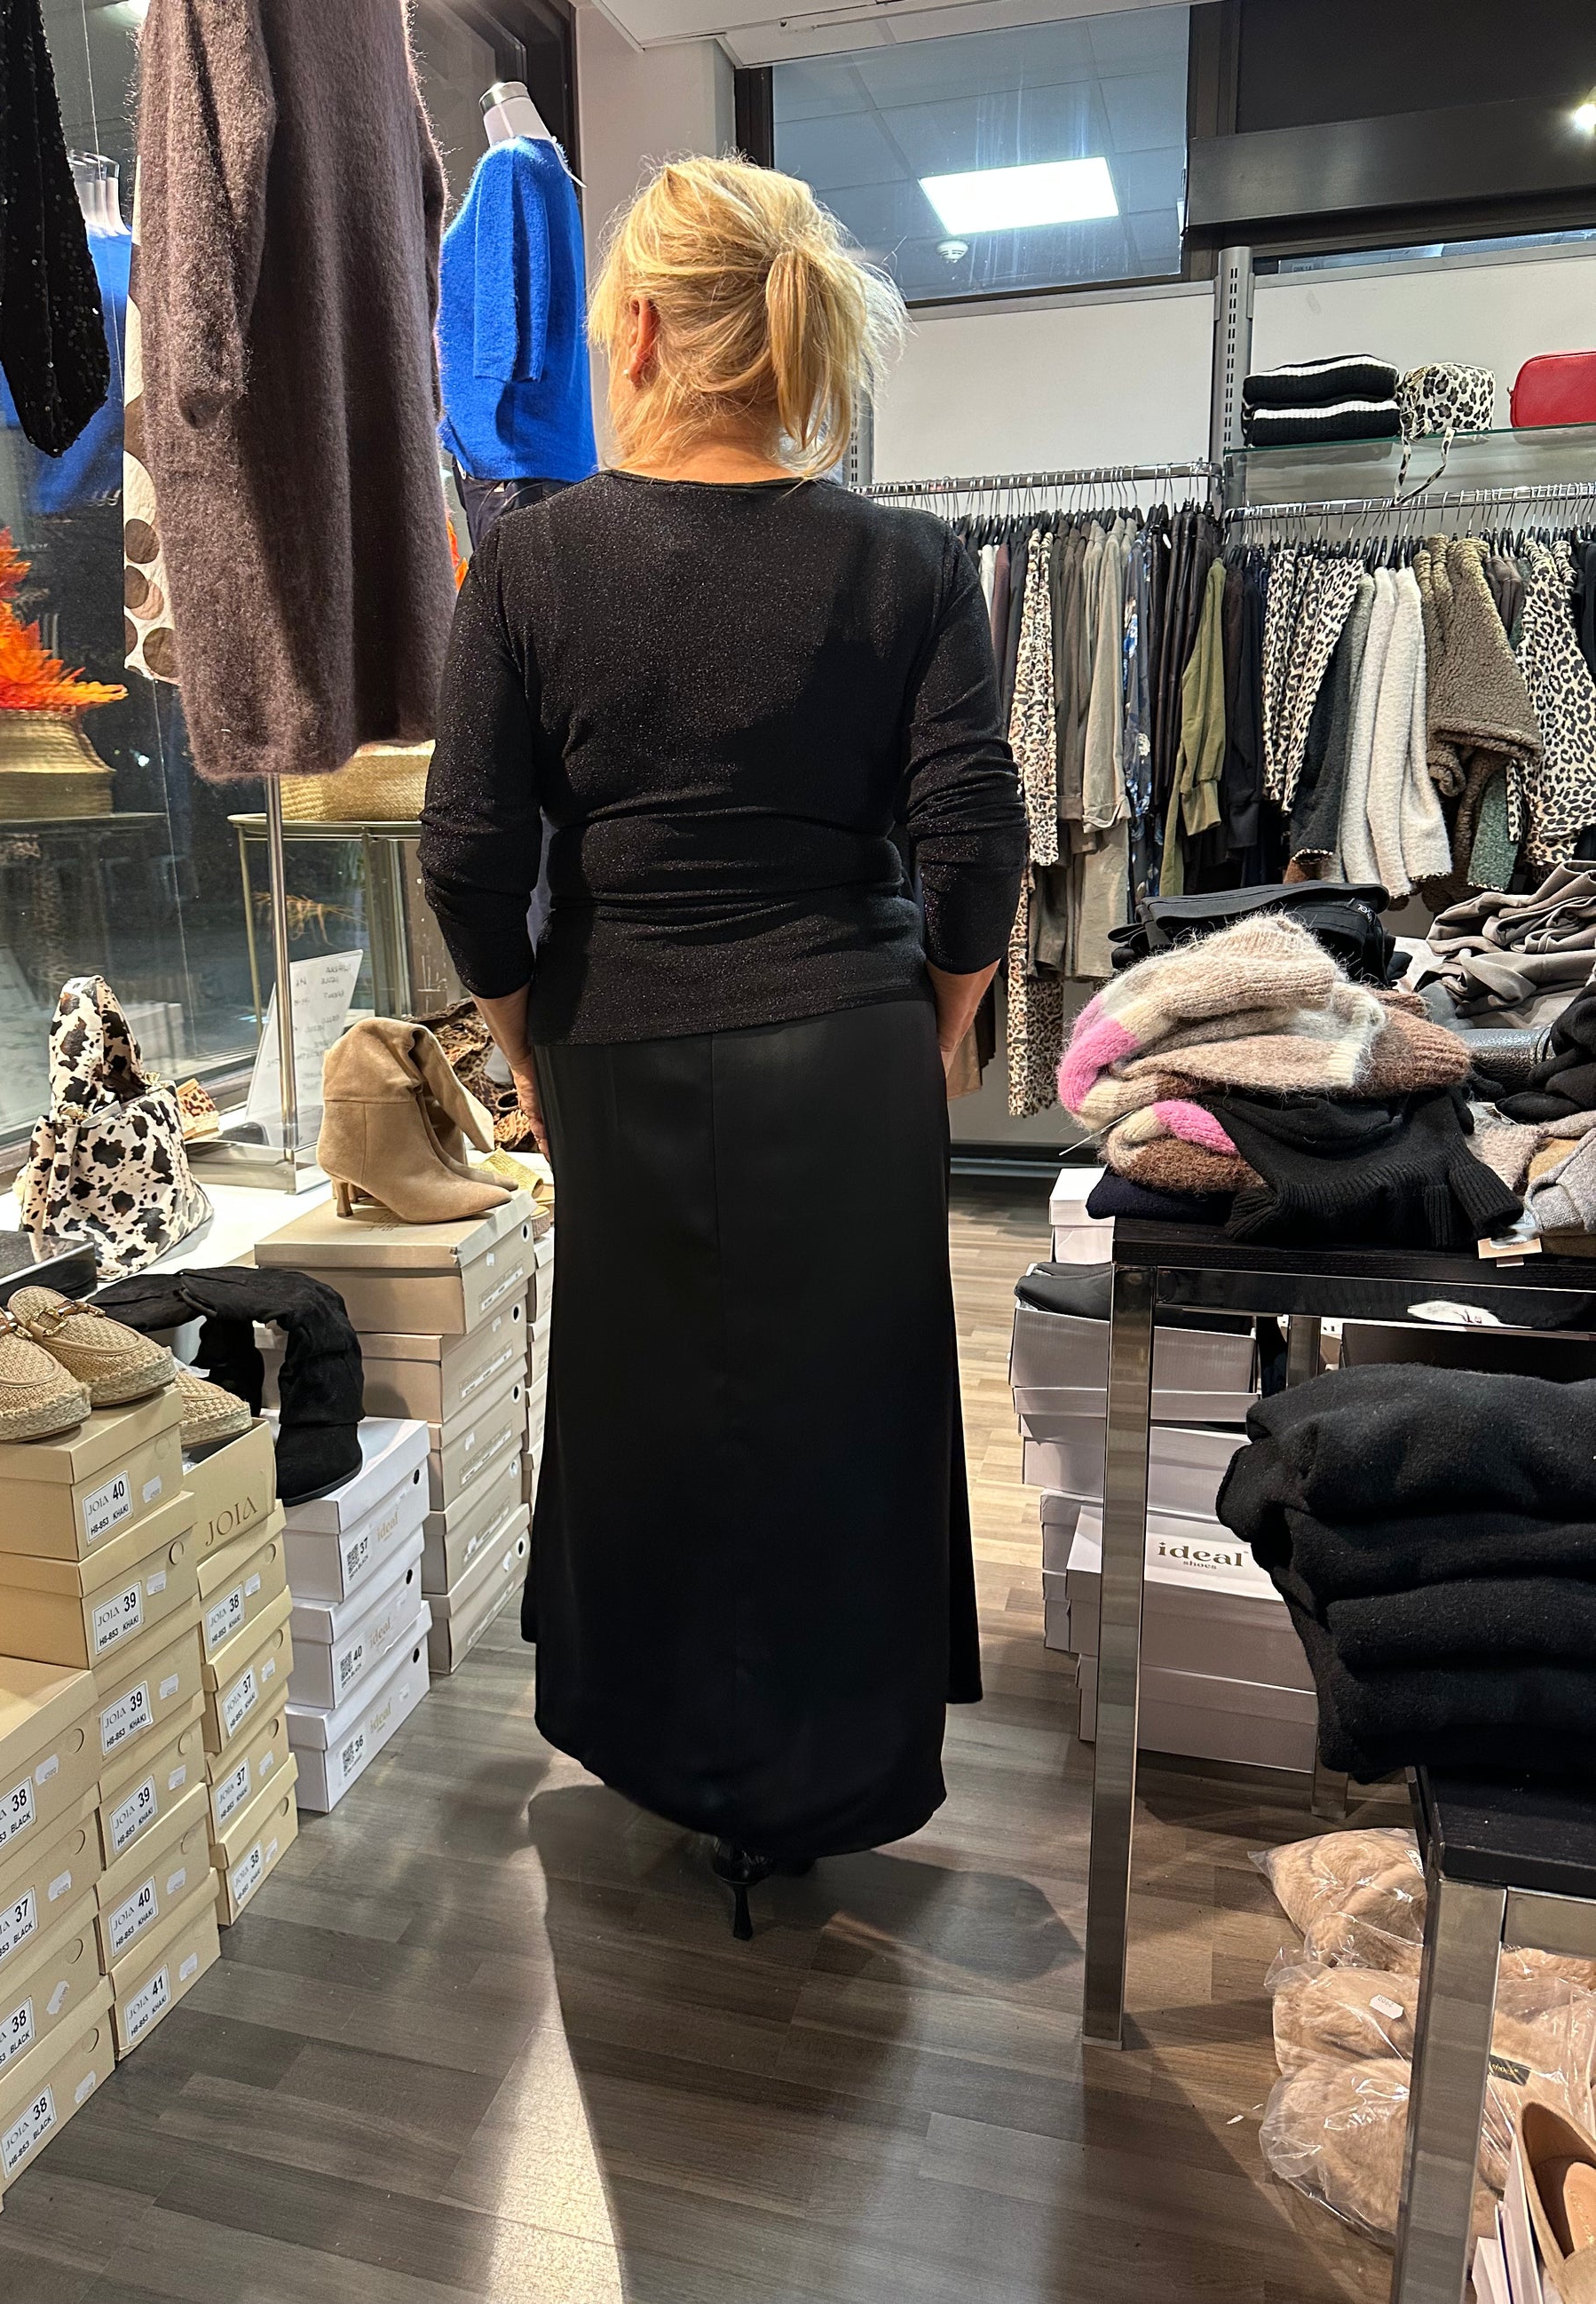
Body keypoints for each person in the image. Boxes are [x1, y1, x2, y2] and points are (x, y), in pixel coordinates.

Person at [421, 155, 1027, 1937]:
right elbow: (975, 840)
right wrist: (937, 1018)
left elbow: (467, 854)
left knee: (645, 1410)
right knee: (849, 1411)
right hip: (845, 1039)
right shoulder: (909, 562)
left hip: (616, 1040)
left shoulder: (530, 564)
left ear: (631, 331)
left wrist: (525, 1045)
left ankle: (669, 1754)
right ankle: (827, 1779)